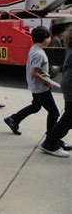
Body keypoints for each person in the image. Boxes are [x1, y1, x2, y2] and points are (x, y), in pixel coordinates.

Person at [4, 27, 64, 147]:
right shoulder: (39, 54)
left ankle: (14, 119)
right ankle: (51, 138)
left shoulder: (34, 49)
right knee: (54, 113)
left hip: (35, 86)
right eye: (48, 37)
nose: (50, 39)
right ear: (44, 39)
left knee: (36, 106)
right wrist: (47, 82)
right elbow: (33, 73)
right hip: (41, 88)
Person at [40, 26, 72, 158]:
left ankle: (52, 141)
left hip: (68, 83)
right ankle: (50, 143)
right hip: (71, 85)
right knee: (69, 118)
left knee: (69, 117)